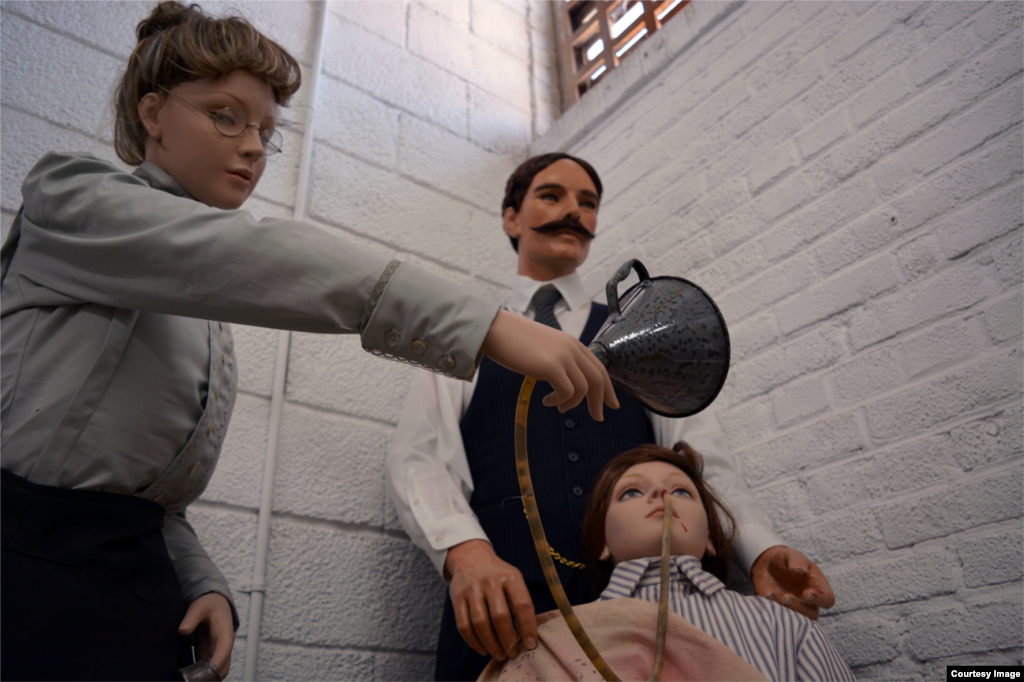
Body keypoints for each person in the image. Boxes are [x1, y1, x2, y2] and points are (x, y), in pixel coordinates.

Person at [0, 6, 616, 682]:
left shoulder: (202, 312)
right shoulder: (68, 198)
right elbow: (257, 256)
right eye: (225, 116)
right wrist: (489, 324)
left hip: (134, 584)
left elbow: (154, 501)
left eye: (267, 131)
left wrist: (197, 578)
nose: (254, 148)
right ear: (151, 112)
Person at [386, 153, 836, 681]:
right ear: (512, 217)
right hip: (503, 617)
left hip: (646, 619)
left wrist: (758, 550)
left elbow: (704, 461)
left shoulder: (645, 335)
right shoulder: (465, 333)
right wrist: (464, 553)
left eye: (588, 203)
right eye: (552, 196)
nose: (573, 211)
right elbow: (419, 458)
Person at [570, 442, 853, 682]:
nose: (660, 492)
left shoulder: (783, 624)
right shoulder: (560, 639)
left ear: (709, 537)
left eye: (681, 491)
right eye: (631, 492)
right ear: (602, 542)